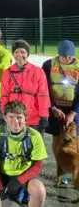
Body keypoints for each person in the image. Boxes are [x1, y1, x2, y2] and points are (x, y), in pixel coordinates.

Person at [0, 100, 47, 207]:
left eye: (19, 117)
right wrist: (1, 188)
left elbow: (37, 165)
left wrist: (17, 182)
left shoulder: (34, 136)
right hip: (5, 177)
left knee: (39, 190)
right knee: (6, 204)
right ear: (4, 117)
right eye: (11, 117)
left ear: (26, 119)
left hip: (25, 175)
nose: (15, 121)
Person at [42, 40, 79, 184]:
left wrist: (73, 112)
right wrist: (52, 108)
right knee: (58, 139)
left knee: (75, 140)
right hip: (55, 108)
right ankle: (62, 169)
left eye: (69, 56)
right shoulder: (48, 64)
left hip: (74, 109)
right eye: (64, 56)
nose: (66, 59)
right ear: (58, 54)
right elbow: (43, 88)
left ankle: (75, 170)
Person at [0, 40, 50, 136]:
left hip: (33, 118)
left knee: (34, 148)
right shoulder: (7, 72)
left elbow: (43, 95)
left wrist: (44, 116)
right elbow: (4, 95)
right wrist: (5, 113)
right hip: (14, 119)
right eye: (16, 52)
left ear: (27, 53)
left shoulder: (38, 71)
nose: (19, 55)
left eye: (22, 52)